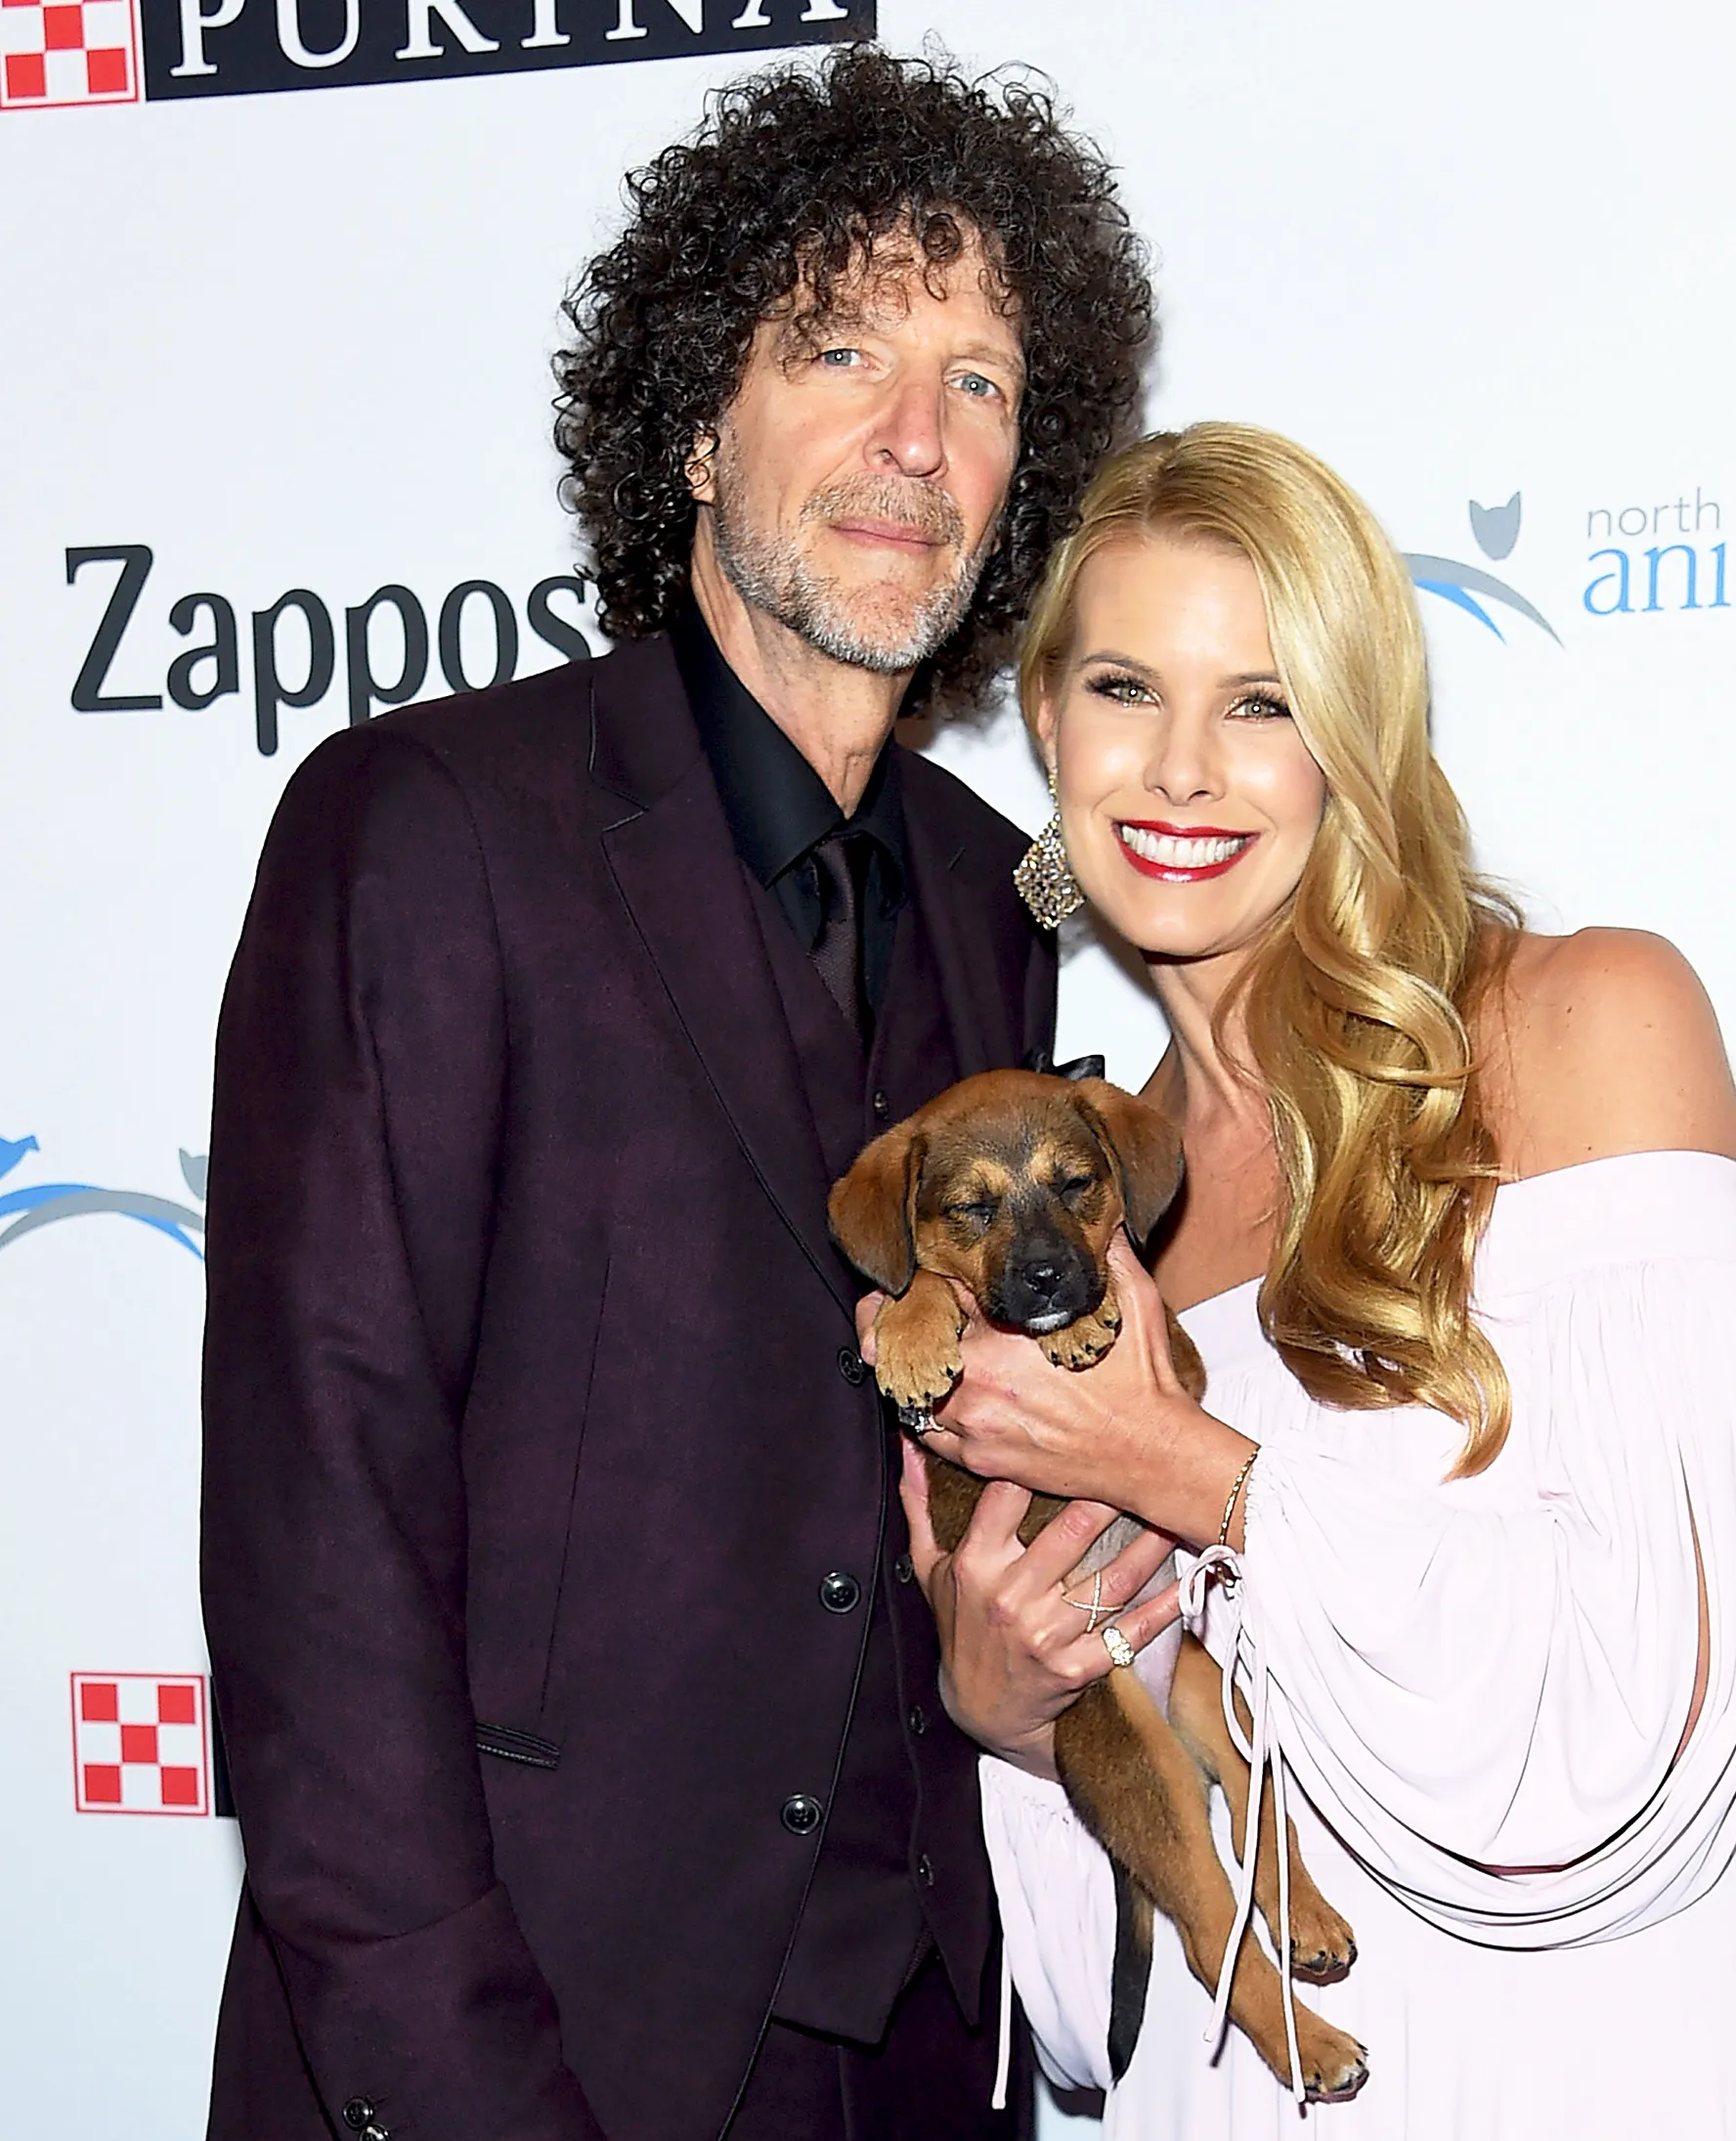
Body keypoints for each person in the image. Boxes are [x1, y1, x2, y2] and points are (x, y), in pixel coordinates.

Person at [199, 48, 1151, 2141]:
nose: (915, 439)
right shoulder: (426, 827)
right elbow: (320, 1537)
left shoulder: (999, 901)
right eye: (838, 348)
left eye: (980, 380)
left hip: (912, 2053)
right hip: (526, 2045)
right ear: (698, 417)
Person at [885, 423, 1736, 2137]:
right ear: (1045, 725)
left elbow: (1660, 1748)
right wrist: (1014, 1710)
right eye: (1121, 688)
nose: (1179, 769)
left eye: (1262, 701)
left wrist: (1190, 1473)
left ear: (1356, 740)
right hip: (1230, 2085)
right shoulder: (1091, 1199)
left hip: (1570, 2072)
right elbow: (1091, 2030)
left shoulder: (1584, 1027)